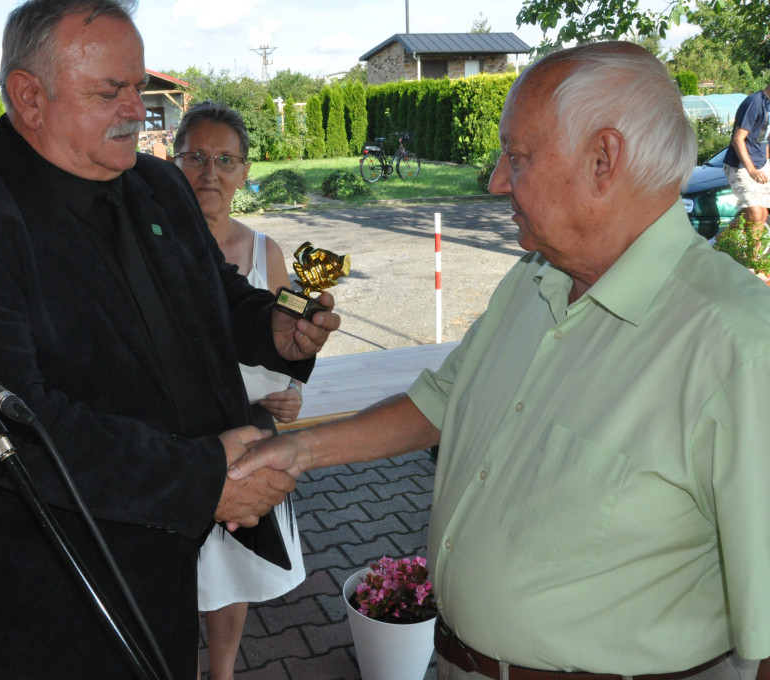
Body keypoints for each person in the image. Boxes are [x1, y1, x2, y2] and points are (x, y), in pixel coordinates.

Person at [230, 41, 770, 680]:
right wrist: (299, 450)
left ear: (604, 159)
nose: (494, 181)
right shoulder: (534, 279)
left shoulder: (738, 348)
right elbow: (441, 401)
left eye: (517, 158)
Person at [0, 1, 339, 678]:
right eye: (111, 91)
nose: (137, 109)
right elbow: (15, 429)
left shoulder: (156, 184)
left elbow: (213, 292)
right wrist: (201, 480)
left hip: (166, 559)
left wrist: (273, 329)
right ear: (30, 97)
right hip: (52, 593)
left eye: (139, 87)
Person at [172, 100, 305, 680]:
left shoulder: (265, 252)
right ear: (174, 162)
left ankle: (220, 673)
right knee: (176, 571)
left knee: (231, 569)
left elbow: (286, 350)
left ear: (245, 171)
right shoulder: (154, 252)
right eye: (196, 156)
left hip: (249, 438)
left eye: (226, 159)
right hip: (178, 438)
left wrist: (293, 393)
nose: (210, 172)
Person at [723, 81, 770, 242]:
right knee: (756, 215)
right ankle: (752, 260)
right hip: (741, 167)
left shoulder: (768, 105)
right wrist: (751, 170)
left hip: (761, 164)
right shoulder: (755, 102)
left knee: (762, 214)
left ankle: (717, 243)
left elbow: (765, 140)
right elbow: (738, 139)